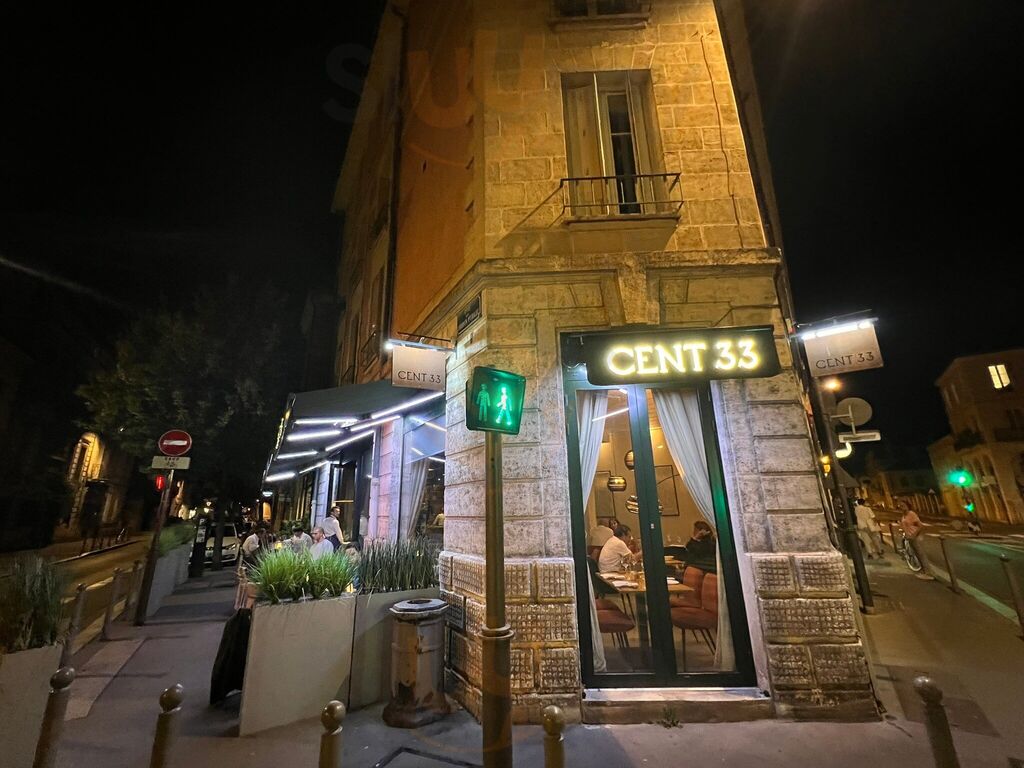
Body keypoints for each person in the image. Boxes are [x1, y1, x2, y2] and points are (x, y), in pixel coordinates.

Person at [899, 503, 934, 579]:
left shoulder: (911, 514)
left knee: (921, 554)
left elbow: (920, 525)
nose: (902, 507)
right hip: (910, 537)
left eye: (903, 506)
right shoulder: (904, 515)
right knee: (917, 554)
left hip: (914, 537)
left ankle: (928, 573)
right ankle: (924, 571)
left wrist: (914, 534)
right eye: (901, 506)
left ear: (908, 506)